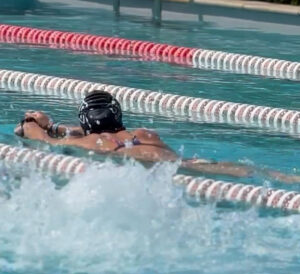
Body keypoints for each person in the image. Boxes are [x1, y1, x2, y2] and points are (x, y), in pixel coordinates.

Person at [14, 90, 300, 183]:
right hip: (180, 162)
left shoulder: (88, 142)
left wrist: (35, 122)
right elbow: (100, 132)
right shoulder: (142, 133)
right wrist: (56, 125)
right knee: (248, 172)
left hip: (149, 171)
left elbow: (39, 138)